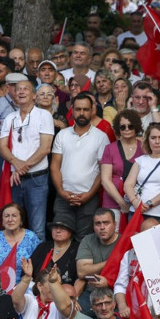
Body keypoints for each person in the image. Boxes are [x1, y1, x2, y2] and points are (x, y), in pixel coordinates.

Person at [0, 80, 55, 240]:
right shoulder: (10, 117)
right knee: (15, 227)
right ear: (14, 94)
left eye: (26, 89)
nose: (21, 92)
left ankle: (38, 257)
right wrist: (16, 164)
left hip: (36, 180)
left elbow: (45, 148)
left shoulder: (44, 115)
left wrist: (21, 169)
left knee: (37, 229)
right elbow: (2, 147)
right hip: (15, 180)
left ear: (34, 95)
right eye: (18, 89)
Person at [51, 92, 109, 239]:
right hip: (63, 197)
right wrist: (61, 192)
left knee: (84, 240)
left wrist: (89, 195)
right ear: (72, 110)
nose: (82, 113)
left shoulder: (101, 137)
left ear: (92, 110)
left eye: (85, 109)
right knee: (61, 239)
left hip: (89, 198)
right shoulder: (62, 135)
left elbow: (103, 170)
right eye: (78, 109)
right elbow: (55, 166)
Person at [100, 109, 144, 220]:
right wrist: (122, 203)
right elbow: (105, 180)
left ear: (136, 127)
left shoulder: (144, 148)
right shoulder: (110, 148)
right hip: (112, 203)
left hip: (138, 202)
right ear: (118, 129)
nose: (127, 129)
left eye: (130, 126)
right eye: (123, 127)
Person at [0, 203, 40, 281]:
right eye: (6, 216)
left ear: (21, 220)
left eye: (14, 216)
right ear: (2, 221)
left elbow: (39, 264)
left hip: (26, 284)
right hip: (0, 285)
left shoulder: (31, 237)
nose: (10, 219)